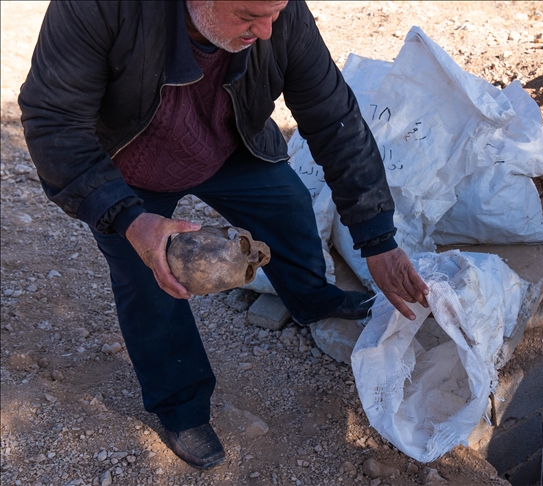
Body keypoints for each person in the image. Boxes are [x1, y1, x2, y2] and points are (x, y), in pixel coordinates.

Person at [19, 0, 429, 470]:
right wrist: (128, 219)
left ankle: (310, 300)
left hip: (227, 144)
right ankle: (182, 408)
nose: (268, 30)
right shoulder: (99, 7)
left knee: (290, 206)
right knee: (150, 282)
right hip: (127, 169)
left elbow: (334, 118)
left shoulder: (279, 14)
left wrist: (377, 239)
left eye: (274, 12)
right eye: (248, 16)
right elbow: (52, 119)